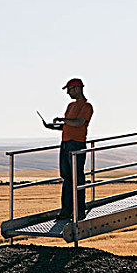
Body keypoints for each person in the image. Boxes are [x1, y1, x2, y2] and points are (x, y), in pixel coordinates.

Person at [44, 78, 93, 220]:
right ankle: (66, 211)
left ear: (77, 89)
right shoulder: (70, 106)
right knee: (67, 178)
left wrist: (63, 120)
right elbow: (68, 125)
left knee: (77, 177)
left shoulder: (87, 107)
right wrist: (53, 126)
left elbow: (79, 123)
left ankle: (80, 211)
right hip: (65, 144)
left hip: (76, 145)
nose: (68, 93)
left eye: (69, 89)